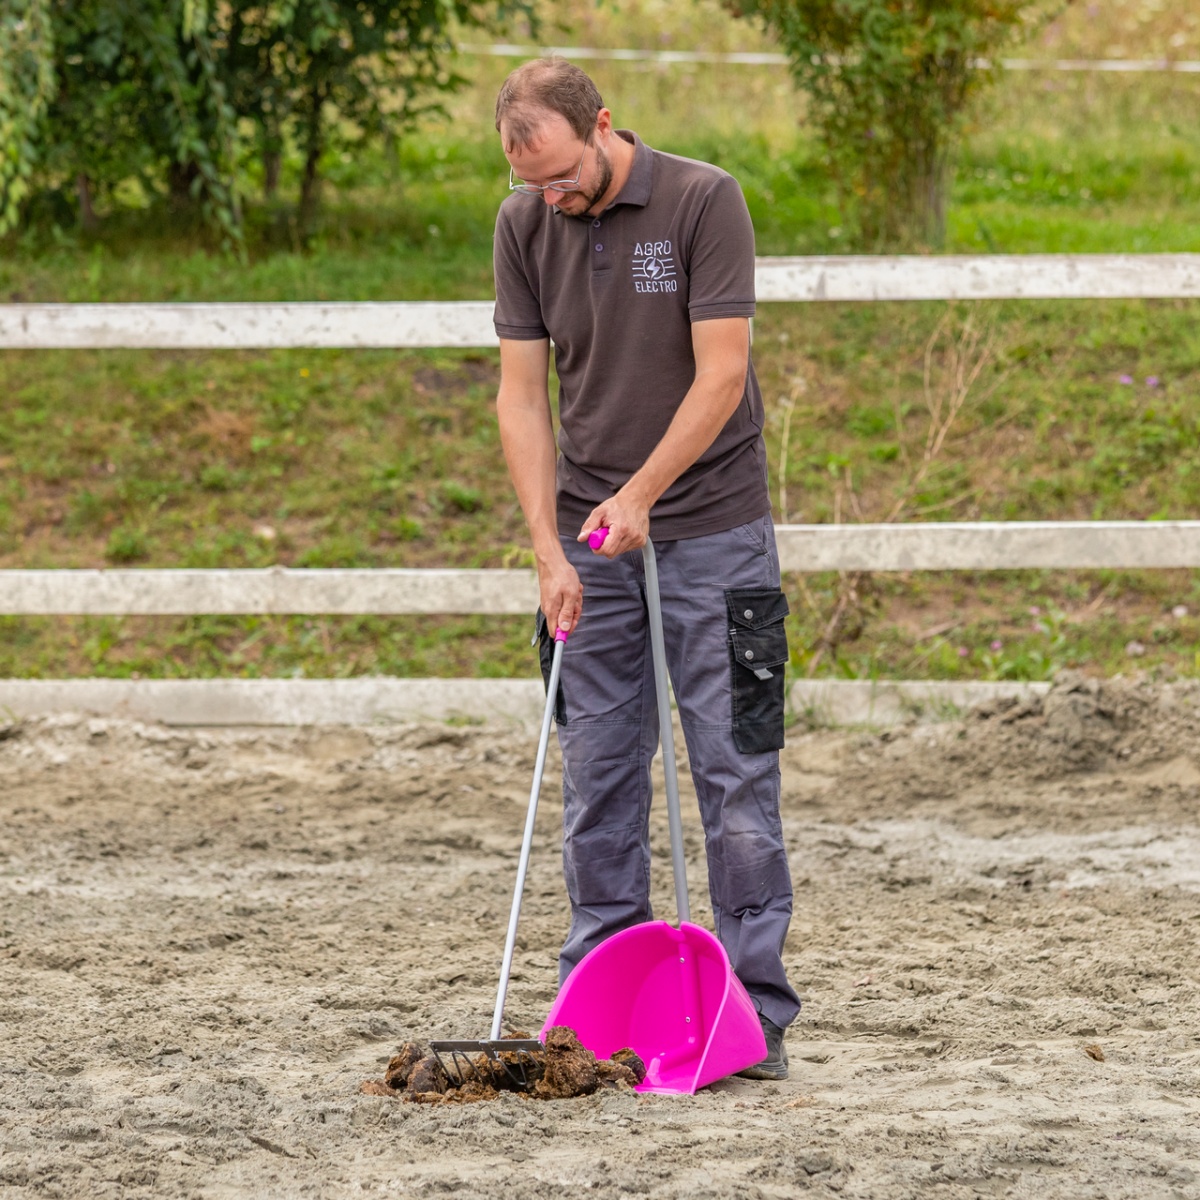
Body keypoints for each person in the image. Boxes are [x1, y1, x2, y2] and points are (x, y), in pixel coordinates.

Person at [492, 58, 801, 1081]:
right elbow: (524, 401)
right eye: (532, 182)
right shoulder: (524, 224)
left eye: (565, 176)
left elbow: (723, 374)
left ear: (604, 127)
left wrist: (645, 494)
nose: (552, 197)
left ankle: (752, 1013)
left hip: (713, 532)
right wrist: (548, 544)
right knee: (601, 774)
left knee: (735, 774)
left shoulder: (704, 201)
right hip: (592, 545)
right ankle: (603, 994)